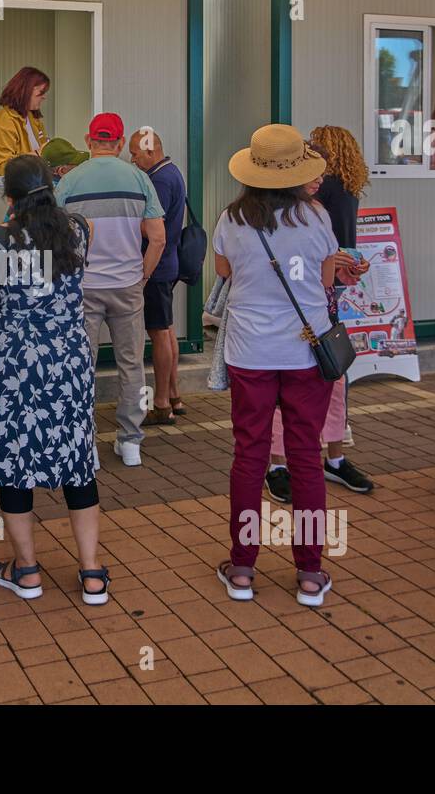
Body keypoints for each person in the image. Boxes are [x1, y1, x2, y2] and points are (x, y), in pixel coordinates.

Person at [0, 155, 110, 605]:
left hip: (16, 363)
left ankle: (26, 571)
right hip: (68, 358)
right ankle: (92, 573)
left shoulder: (1, 242)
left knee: (14, 460)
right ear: (51, 187)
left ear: (9, 197)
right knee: (76, 458)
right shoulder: (78, 230)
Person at [211, 124, 340, 608]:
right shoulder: (316, 217)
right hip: (306, 351)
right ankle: (310, 572)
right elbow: (327, 277)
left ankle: (242, 566)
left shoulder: (231, 219)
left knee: (250, 455)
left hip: (249, 351)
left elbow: (224, 272)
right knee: (305, 455)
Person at [265, 127, 372, 500]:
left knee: (334, 379)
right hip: (283, 316)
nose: (320, 179)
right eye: (312, 172)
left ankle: (335, 457)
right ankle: (278, 464)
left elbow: (330, 274)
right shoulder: (264, 214)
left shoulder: (320, 214)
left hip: (322, 312)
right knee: (285, 388)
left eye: (322, 172)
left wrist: (346, 266)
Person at [55, 112, 166, 468]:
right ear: (119, 144)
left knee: (80, 364)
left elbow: (53, 236)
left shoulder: (70, 181)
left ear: (89, 141)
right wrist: (142, 276)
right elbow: (158, 238)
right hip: (127, 285)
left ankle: (83, 442)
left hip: (83, 287)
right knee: (131, 363)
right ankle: (130, 440)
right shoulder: (139, 178)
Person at [127, 127, 188, 425]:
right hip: (169, 263)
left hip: (157, 266)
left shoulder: (160, 180)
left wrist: (122, 221)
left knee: (159, 332)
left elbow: (155, 229)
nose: (132, 160)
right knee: (167, 329)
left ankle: (162, 402)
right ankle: (174, 395)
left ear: (151, 152)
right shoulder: (172, 172)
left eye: (136, 154)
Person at [0, 66, 51, 177]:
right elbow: (3, 165)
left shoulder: (33, 118)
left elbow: (44, 149)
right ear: (27, 90)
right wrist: (37, 154)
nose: (44, 97)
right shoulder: (5, 120)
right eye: (41, 92)